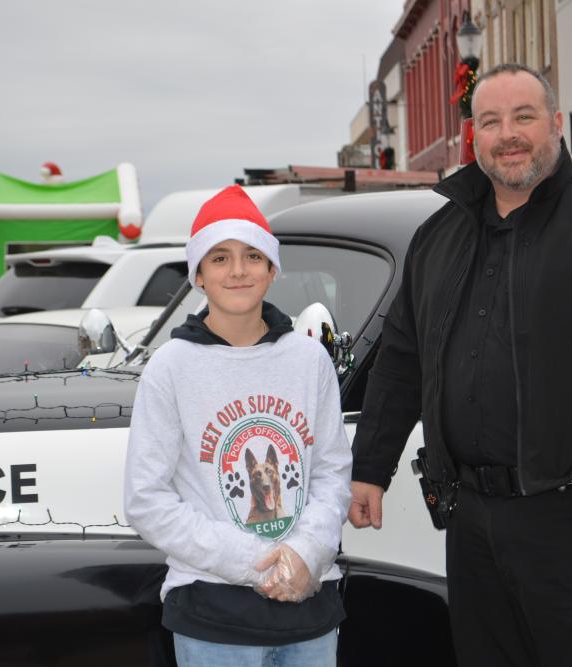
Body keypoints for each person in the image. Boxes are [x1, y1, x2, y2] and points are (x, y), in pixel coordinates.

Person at [348, 64, 572, 667]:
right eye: (491, 121)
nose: (508, 134)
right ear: (474, 137)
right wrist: (371, 469)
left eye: (524, 117)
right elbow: (401, 362)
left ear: (556, 125)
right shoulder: (438, 238)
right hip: (472, 525)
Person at [124, 185, 352, 667]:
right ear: (199, 276)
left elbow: (332, 472)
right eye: (220, 258)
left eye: (252, 256)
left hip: (310, 608)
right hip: (213, 616)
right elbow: (147, 499)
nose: (238, 271)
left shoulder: (309, 360)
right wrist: (257, 564)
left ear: (272, 270)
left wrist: (306, 552)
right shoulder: (171, 367)